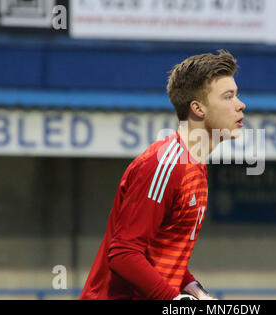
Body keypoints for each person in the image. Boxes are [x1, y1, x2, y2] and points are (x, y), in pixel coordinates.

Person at [80, 50, 246, 300]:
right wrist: (174, 299)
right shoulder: (164, 164)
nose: (240, 104)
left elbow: (162, 252)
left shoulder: (195, 166)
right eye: (228, 96)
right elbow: (124, 253)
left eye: (236, 95)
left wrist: (196, 291)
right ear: (198, 108)